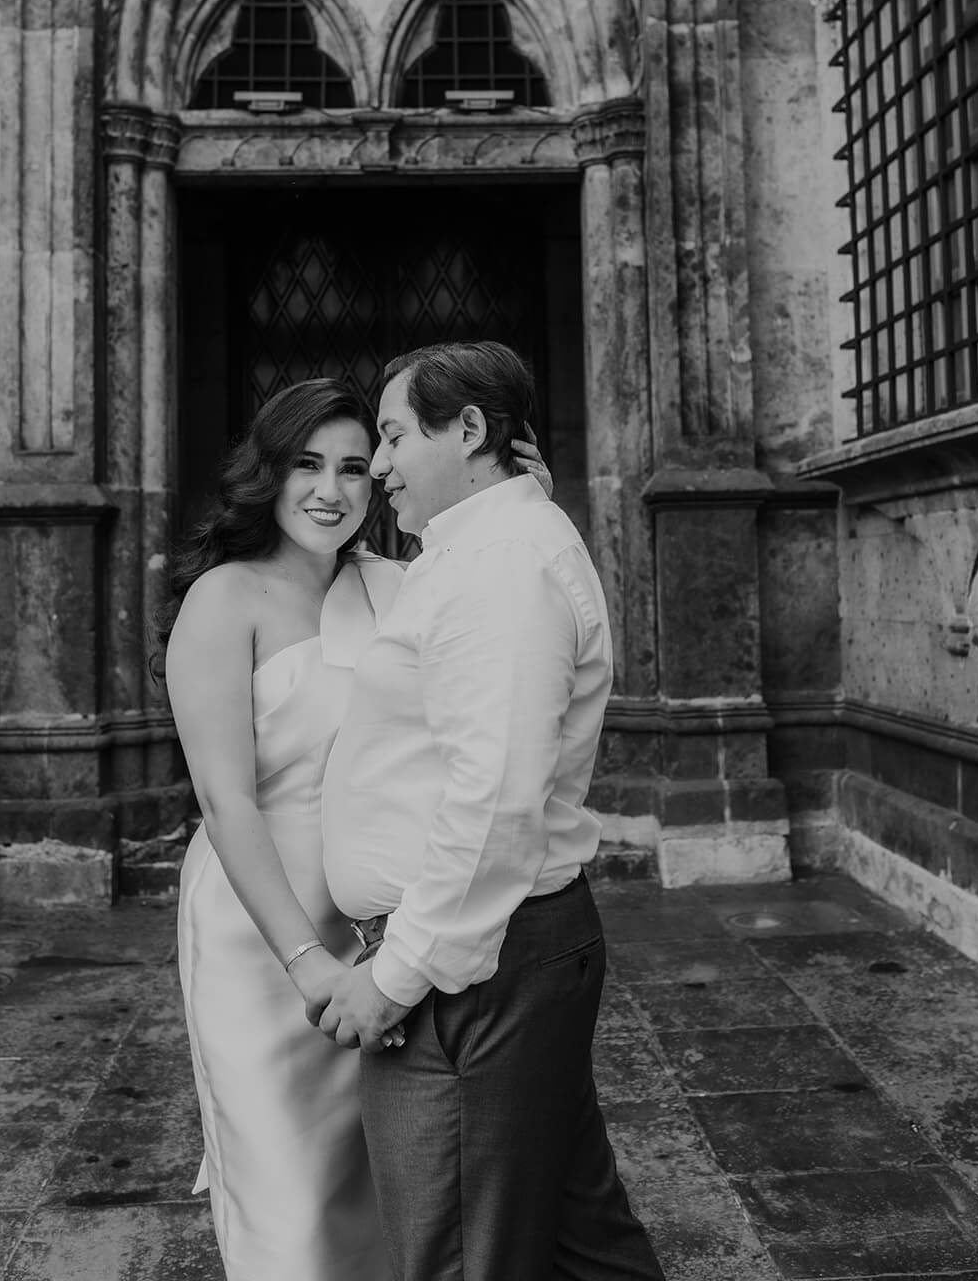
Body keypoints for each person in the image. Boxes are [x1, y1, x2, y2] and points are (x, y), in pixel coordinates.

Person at [158, 375, 550, 1281]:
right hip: (261, 930)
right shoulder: (225, 598)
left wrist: (520, 501)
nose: (330, 491)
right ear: (268, 472)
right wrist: (307, 963)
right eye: (306, 465)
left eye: (351, 468)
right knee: (291, 1194)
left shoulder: (396, 584)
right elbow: (226, 802)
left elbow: (500, 618)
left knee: (381, 1185)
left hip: (377, 926)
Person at [319, 342, 665, 1281]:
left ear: (469, 428)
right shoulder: (486, 546)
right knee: (580, 1240)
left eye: (393, 436)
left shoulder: (503, 563)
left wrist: (394, 976)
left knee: (458, 1255)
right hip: (495, 950)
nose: (378, 464)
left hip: (468, 964)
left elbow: (494, 800)